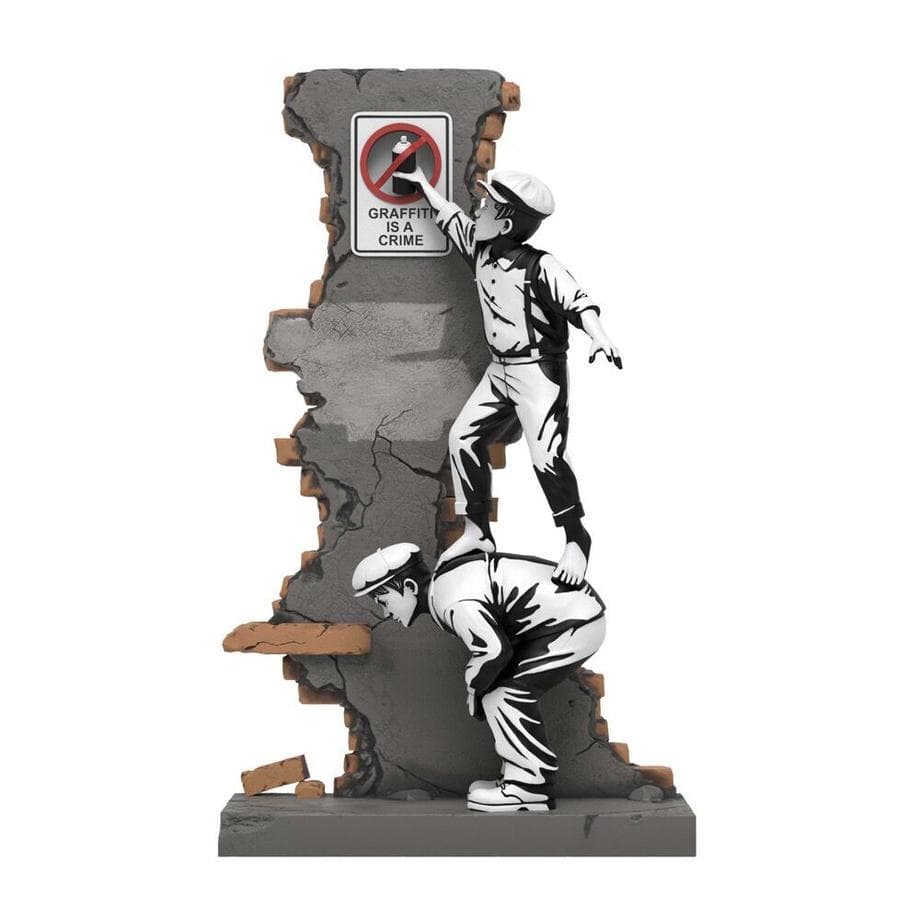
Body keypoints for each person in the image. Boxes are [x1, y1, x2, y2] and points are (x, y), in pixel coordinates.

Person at [398, 166, 621, 586]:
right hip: (499, 371)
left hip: (538, 372)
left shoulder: (540, 265)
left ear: (504, 223)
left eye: (487, 207)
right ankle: (478, 531)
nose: (477, 210)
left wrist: (599, 336)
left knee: (546, 456)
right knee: (462, 437)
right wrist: (422, 183)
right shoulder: (480, 249)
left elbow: (578, 302)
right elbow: (449, 216)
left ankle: (576, 539)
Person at [352, 542, 606, 812]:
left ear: (410, 587)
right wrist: (478, 687)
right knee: (498, 691)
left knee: (505, 694)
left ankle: (529, 786)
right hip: (562, 620)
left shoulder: (453, 603)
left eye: (384, 601)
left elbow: (492, 651)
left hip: (575, 623)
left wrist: (474, 689)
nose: (385, 613)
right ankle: (516, 776)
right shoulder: (444, 585)